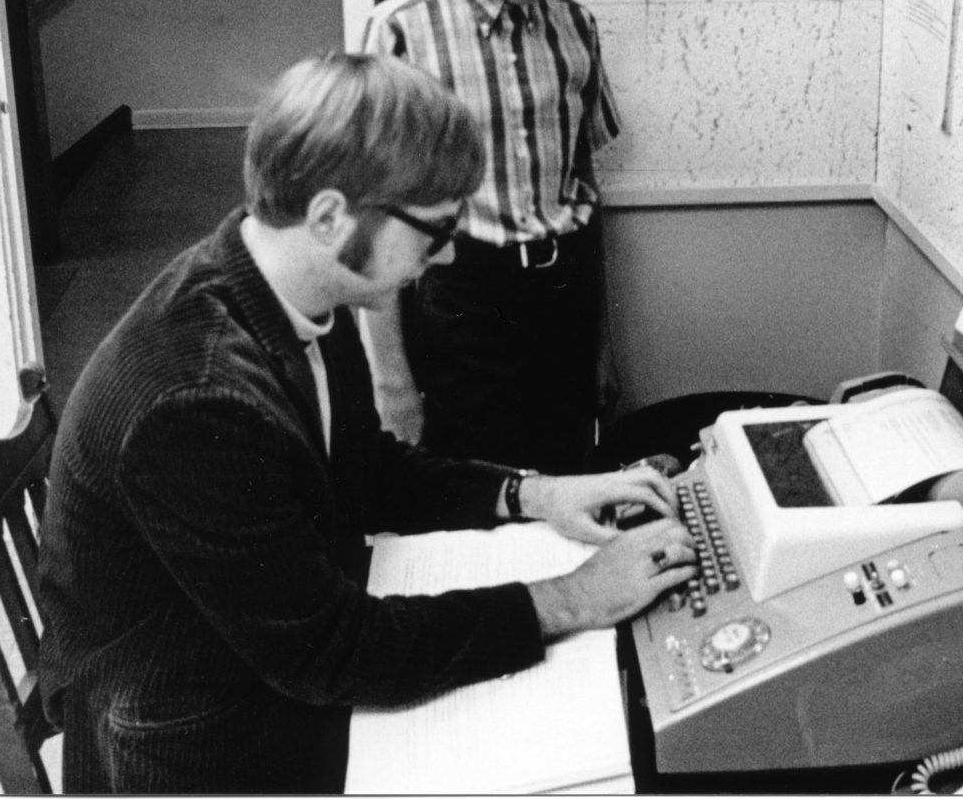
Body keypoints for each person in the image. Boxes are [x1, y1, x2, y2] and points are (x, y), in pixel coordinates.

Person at [36, 52, 696, 794]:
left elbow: (366, 470)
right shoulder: (196, 398)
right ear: (329, 217)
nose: (447, 253)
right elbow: (330, 654)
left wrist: (537, 495)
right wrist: (571, 598)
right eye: (434, 229)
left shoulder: (296, 286)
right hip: (192, 742)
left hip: (262, 661)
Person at [357, 0, 627, 475]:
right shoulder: (401, 32)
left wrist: (598, 344)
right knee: (483, 493)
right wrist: (390, 381)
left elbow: (582, 184)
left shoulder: (575, 29)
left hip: (564, 301)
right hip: (462, 308)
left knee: (569, 485)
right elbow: (373, 217)